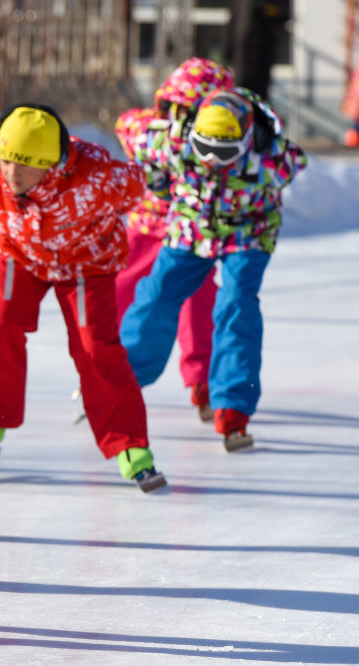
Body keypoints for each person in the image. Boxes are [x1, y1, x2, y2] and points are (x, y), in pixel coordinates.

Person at [0, 103, 166, 492]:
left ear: (51, 164)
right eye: (6, 161)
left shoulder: (99, 179)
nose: (12, 174)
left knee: (94, 347)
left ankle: (128, 444)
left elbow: (141, 183)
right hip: (22, 258)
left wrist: (167, 175)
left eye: (25, 164)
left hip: (87, 265)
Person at [121, 88, 308, 451]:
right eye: (203, 149)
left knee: (237, 305)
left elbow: (296, 163)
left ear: (246, 140)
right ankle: (124, 377)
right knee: (156, 294)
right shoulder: (172, 142)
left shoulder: (271, 159)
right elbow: (132, 134)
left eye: (223, 153)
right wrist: (158, 184)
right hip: (191, 226)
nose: (211, 161)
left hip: (247, 233)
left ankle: (233, 406)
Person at [114, 57, 233, 422]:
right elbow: (127, 124)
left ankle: (204, 380)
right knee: (123, 295)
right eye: (175, 107)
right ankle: (110, 366)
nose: (182, 117)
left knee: (199, 306)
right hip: (146, 230)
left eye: (192, 111)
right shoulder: (152, 129)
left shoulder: (217, 141)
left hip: (191, 237)